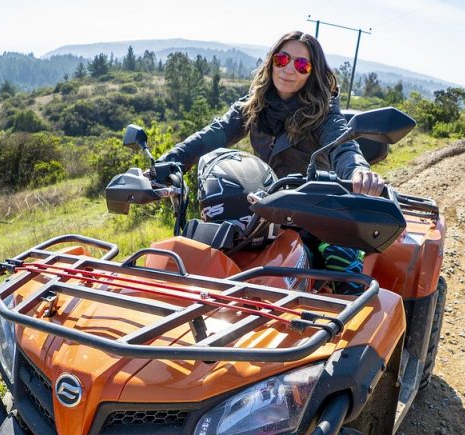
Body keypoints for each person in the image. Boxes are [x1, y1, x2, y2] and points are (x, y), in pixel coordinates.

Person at [157, 30, 385, 293]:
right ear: (271, 61)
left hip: (313, 211)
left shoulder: (324, 112)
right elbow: (214, 134)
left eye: (301, 65)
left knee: (342, 265)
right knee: (198, 255)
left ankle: (349, 327)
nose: (289, 69)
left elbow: (343, 145)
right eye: (282, 59)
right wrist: (169, 162)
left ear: (312, 73)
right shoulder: (256, 103)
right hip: (259, 210)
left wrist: (357, 169)